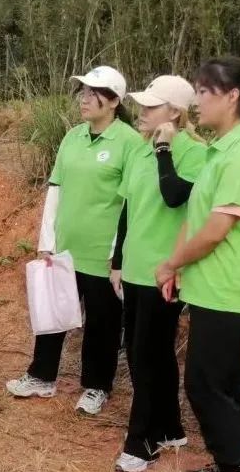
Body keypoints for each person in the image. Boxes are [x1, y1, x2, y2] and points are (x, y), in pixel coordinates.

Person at [156, 58, 240, 472]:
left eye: (206, 91)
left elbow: (217, 229)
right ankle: (232, 465)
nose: (198, 99)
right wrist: (179, 270)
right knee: (227, 377)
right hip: (209, 283)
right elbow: (196, 216)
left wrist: (170, 262)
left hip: (229, 284)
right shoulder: (220, 148)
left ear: (233, 97)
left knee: (205, 382)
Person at [7, 66, 142, 415]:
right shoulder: (72, 137)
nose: (84, 98)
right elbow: (56, 189)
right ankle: (41, 376)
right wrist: (46, 240)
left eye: (93, 92)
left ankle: (97, 386)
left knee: (103, 324)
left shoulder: (129, 142)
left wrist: (119, 257)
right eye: (82, 91)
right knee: (52, 314)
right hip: (65, 249)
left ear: (114, 101)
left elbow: (131, 204)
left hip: (103, 253)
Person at [111, 76, 206, 472]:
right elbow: (129, 209)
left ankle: (142, 442)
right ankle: (169, 427)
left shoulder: (194, 153)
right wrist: (116, 261)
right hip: (134, 269)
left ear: (175, 113)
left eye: (151, 107)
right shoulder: (140, 151)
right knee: (145, 350)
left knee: (147, 354)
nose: (141, 112)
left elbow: (174, 197)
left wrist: (166, 147)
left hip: (164, 271)